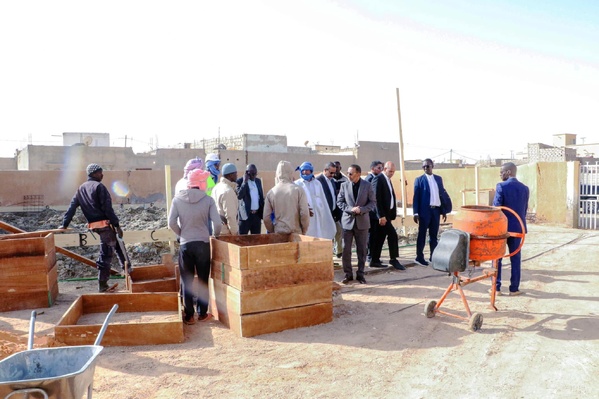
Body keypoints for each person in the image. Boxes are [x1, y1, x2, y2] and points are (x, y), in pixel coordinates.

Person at [59, 163, 125, 292]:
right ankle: (103, 285)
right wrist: (117, 225)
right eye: (100, 172)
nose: (102, 174)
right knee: (106, 254)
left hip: (94, 226)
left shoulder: (81, 189)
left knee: (118, 246)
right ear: (94, 174)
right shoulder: (99, 187)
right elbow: (107, 209)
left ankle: (128, 270)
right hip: (104, 225)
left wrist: (65, 224)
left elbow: (72, 208)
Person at [169, 168, 222, 325]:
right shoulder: (208, 200)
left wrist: (182, 233)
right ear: (200, 183)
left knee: (187, 280)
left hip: (185, 244)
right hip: (203, 244)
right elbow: (217, 223)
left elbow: (171, 223)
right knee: (203, 279)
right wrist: (215, 235)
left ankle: (189, 316)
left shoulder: (177, 199)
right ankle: (202, 313)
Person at [493, 162, 529, 296]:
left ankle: (496, 288)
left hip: (502, 230)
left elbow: (496, 209)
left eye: (501, 172)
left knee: (497, 258)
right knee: (515, 258)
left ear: (508, 172)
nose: (500, 174)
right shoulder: (525, 188)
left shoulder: (501, 186)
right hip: (518, 229)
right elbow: (524, 210)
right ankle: (514, 289)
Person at [337, 164, 376, 284]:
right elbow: (340, 202)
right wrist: (350, 209)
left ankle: (360, 274)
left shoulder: (367, 186)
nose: (348, 175)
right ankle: (348, 274)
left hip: (362, 223)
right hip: (347, 222)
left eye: (351, 173)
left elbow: (372, 202)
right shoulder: (344, 185)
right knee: (345, 249)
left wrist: (362, 210)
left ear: (358, 174)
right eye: (348, 173)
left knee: (362, 250)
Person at [412, 158, 448, 266]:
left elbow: (441, 195)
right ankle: (419, 257)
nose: (425, 168)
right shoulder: (419, 180)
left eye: (428, 166)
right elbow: (416, 197)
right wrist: (415, 213)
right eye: (423, 166)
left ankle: (433, 257)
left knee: (434, 235)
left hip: (435, 211)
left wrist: (444, 211)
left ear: (432, 166)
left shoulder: (438, 179)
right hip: (424, 211)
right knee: (422, 235)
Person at [371, 161, 405, 270]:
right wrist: (381, 215)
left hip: (387, 215)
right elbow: (376, 199)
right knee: (392, 235)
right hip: (381, 216)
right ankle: (393, 259)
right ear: (384, 169)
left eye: (393, 172)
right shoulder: (379, 179)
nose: (392, 173)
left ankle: (375, 260)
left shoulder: (388, 180)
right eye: (390, 171)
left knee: (380, 238)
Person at [263, 161, 310, 235]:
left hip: (279, 233)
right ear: (291, 172)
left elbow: (266, 218)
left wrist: (273, 230)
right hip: (296, 233)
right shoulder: (298, 190)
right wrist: (303, 231)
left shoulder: (271, 192)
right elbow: (304, 214)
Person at [295, 161, 336, 240]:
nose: (305, 172)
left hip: (319, 216)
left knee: (319, 236)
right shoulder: (297, 184)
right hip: (305, 218)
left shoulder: (317, 183)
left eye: (307, 170)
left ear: (311, 171)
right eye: (303, 170)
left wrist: (326, 215)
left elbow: (323, 200)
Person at [316, 162, 342, 253]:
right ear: (325, 170)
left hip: (333, 213)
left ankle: (335, 253)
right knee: (326, 237)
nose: (333, 175)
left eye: (334, 173)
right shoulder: (318, 181)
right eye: (331, 173)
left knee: (337, 231)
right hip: (324, 214)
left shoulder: (332, 181)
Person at [236, 164, 265, 235]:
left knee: (256, 240)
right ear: (247, 172)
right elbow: (239, 196)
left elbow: (260, 197)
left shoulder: (258, 181)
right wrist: (244, 182)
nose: (254, 176)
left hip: (256, 216)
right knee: (243, 240)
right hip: (245, 216)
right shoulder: (240, 181)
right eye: (252, 174)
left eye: (255, 174)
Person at [212, 163, 239, 236]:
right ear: (230, 175)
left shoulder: (216, 187)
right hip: (226, 232)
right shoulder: (227, 191)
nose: (237, 175)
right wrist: (235, 233)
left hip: (217, 229)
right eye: (235, 173)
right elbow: (230, 215)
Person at [365, 161, 384, 264]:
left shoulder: (377, 178)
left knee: (375, 236)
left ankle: (374, 257)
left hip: (374, 213)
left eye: (381, 168)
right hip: (371, 213)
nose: (381, 170)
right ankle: (370, 257)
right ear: (373, 168)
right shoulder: (370, 179)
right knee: (371, 236)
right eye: (379, 168)